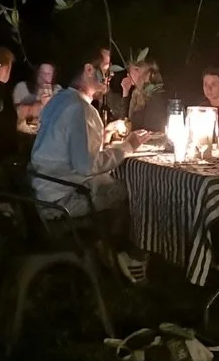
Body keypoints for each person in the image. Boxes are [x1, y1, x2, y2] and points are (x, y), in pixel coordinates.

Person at [29, 47, 152, 281]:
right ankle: (123, 253)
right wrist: (128, 146)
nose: (110, 75)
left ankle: (108, 251)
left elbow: (71, 149)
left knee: (109, 182)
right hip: (61, 202)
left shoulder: (59, 101)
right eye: (106, 69)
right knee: (128, 189)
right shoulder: (80, 108)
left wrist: (103, 134)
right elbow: (86, 166)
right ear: (88, 69)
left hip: (42, 191)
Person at [120, 58, 167, 131]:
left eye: (130, 71)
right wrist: (125, 92)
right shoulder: (136, 93)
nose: (127, 74)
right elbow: (125, 122)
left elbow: (150, 129)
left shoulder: (155, 96)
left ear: (138, 71)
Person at [13, 62, 60, 126]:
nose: (45, 76)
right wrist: (41, 104)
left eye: (48, 73)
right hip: (26, 131)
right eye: (41, 72)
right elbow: (18, 114)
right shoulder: (22, 87)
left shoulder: (57, 90)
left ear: (53, 76)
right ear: (36, 74)